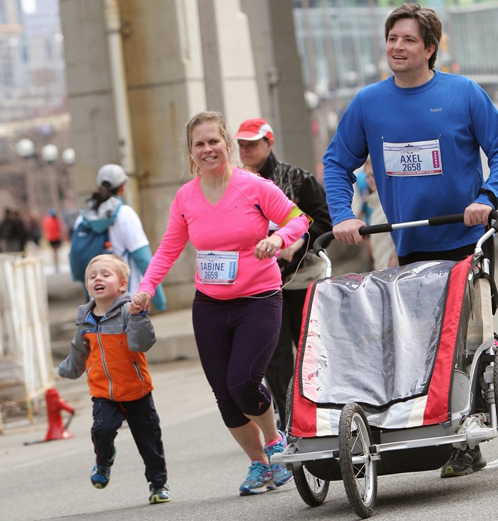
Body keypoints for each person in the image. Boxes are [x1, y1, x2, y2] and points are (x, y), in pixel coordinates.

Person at [322, 3, 498, 479]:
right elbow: (336, 164)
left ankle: (475, 429)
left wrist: (488, 195)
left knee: (468, 340)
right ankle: (426, 426)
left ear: (430, 48)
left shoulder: (463, 93)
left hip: (466, 237)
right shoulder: (369, 103)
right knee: (419, 347)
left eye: (408, 40)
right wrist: (343, 215)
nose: (397, 47)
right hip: (409, 243)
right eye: (392, 39)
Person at [129, 111, 310, 496]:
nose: (207, 149)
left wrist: (277, 241)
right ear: (191, 152)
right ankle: (259, 465)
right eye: (199, 144)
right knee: (224, 394)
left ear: (227, 146)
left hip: (258, 298)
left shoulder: (254, 186)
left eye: (214, 141)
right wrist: (145, 288)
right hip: (210, 304)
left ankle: (275, 441)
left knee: (242, 381)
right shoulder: (186, 197)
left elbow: (299, 219)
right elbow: (167, 249)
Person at [235, 117, 332, 430]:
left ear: (269, 142)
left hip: (303, 277)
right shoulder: (233, 184)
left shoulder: (297, 178)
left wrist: (300, 239)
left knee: (310, 347)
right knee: (273, 355)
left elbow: (325, 221)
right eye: (241, 144)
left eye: (252, 143)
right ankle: (288, 417)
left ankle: (320, 409)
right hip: (260, 283)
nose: (245, 149)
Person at [58, 254, 170, 504]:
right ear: (88, 285)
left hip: (136, 390)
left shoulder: (129, 312)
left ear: (121, 285)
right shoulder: (85, 319)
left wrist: (139, 316)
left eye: (105, 274)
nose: (98, 278)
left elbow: (142, 343)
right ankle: (103, 460)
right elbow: (79, 350)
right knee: (102, 430)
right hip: (103, 392)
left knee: (149, 441)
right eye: (92, 276)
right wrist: (69, 369)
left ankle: (158, 484)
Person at [74, 164, 166, 311]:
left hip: (97, 304)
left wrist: (89, 292)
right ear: (123, 187)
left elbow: (78, 263)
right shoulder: (125, 215)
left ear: (99, 187)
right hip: (128, 301)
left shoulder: (83, 218)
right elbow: (143, 259)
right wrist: (159, 299)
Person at [361, 160, 398, 271]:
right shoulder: (375, 205)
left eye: (373, 175)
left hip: (395, 270)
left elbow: (406, 232)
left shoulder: (392, 202)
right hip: (383, 269)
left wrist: (395, 258)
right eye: (367, 176)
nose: (370, 180)